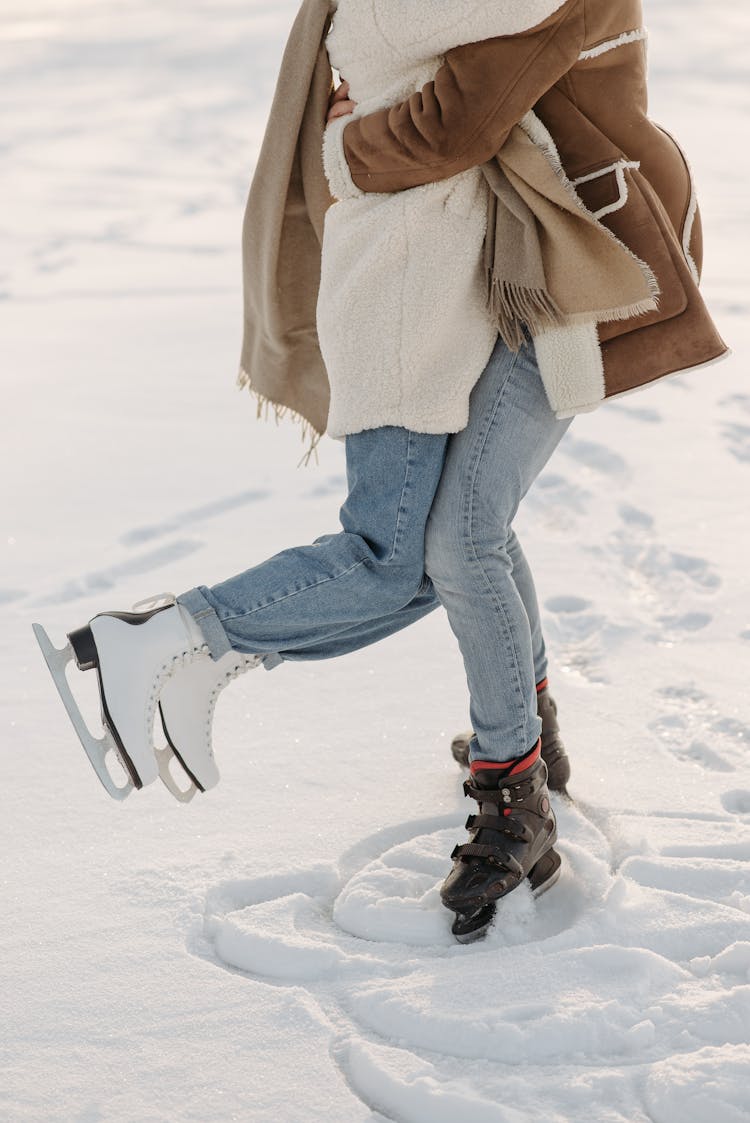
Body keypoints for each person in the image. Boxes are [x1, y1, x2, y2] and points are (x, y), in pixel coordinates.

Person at [34, 0, 726, 942]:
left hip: (580, 256)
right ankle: (519, 742)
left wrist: (351, 146)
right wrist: (360, 142)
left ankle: (511, 776)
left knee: (457, 539)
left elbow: (458, 122)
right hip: (504, 263)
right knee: (454, 536)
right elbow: (440, 100)